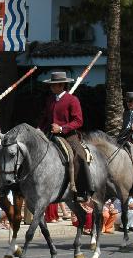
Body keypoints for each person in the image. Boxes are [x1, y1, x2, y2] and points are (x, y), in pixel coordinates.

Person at [39, 71, 93, 201]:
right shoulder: (50, 100)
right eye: (51, 85)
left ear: (61, 85)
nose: (51, 87)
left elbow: (78, 121)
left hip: (68, 136)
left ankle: (83, 190)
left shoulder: (72, 100)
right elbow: (45, 118)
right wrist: (38, 129)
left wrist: (62, 128)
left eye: (54, 85)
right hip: (50, 134)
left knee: (79, 156)